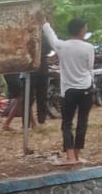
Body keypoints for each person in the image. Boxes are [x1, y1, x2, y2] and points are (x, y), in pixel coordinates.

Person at [39, 10, 96, 166]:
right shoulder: (88, 47)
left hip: (68, 90)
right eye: (85, 28)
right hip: (86, 88)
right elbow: (89, 67)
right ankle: (77, 155)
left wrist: (44, 22)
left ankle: (70, 156)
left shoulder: (61, 46)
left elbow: (51, 36)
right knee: (82, 122)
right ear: (81, 30)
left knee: (67, 123)